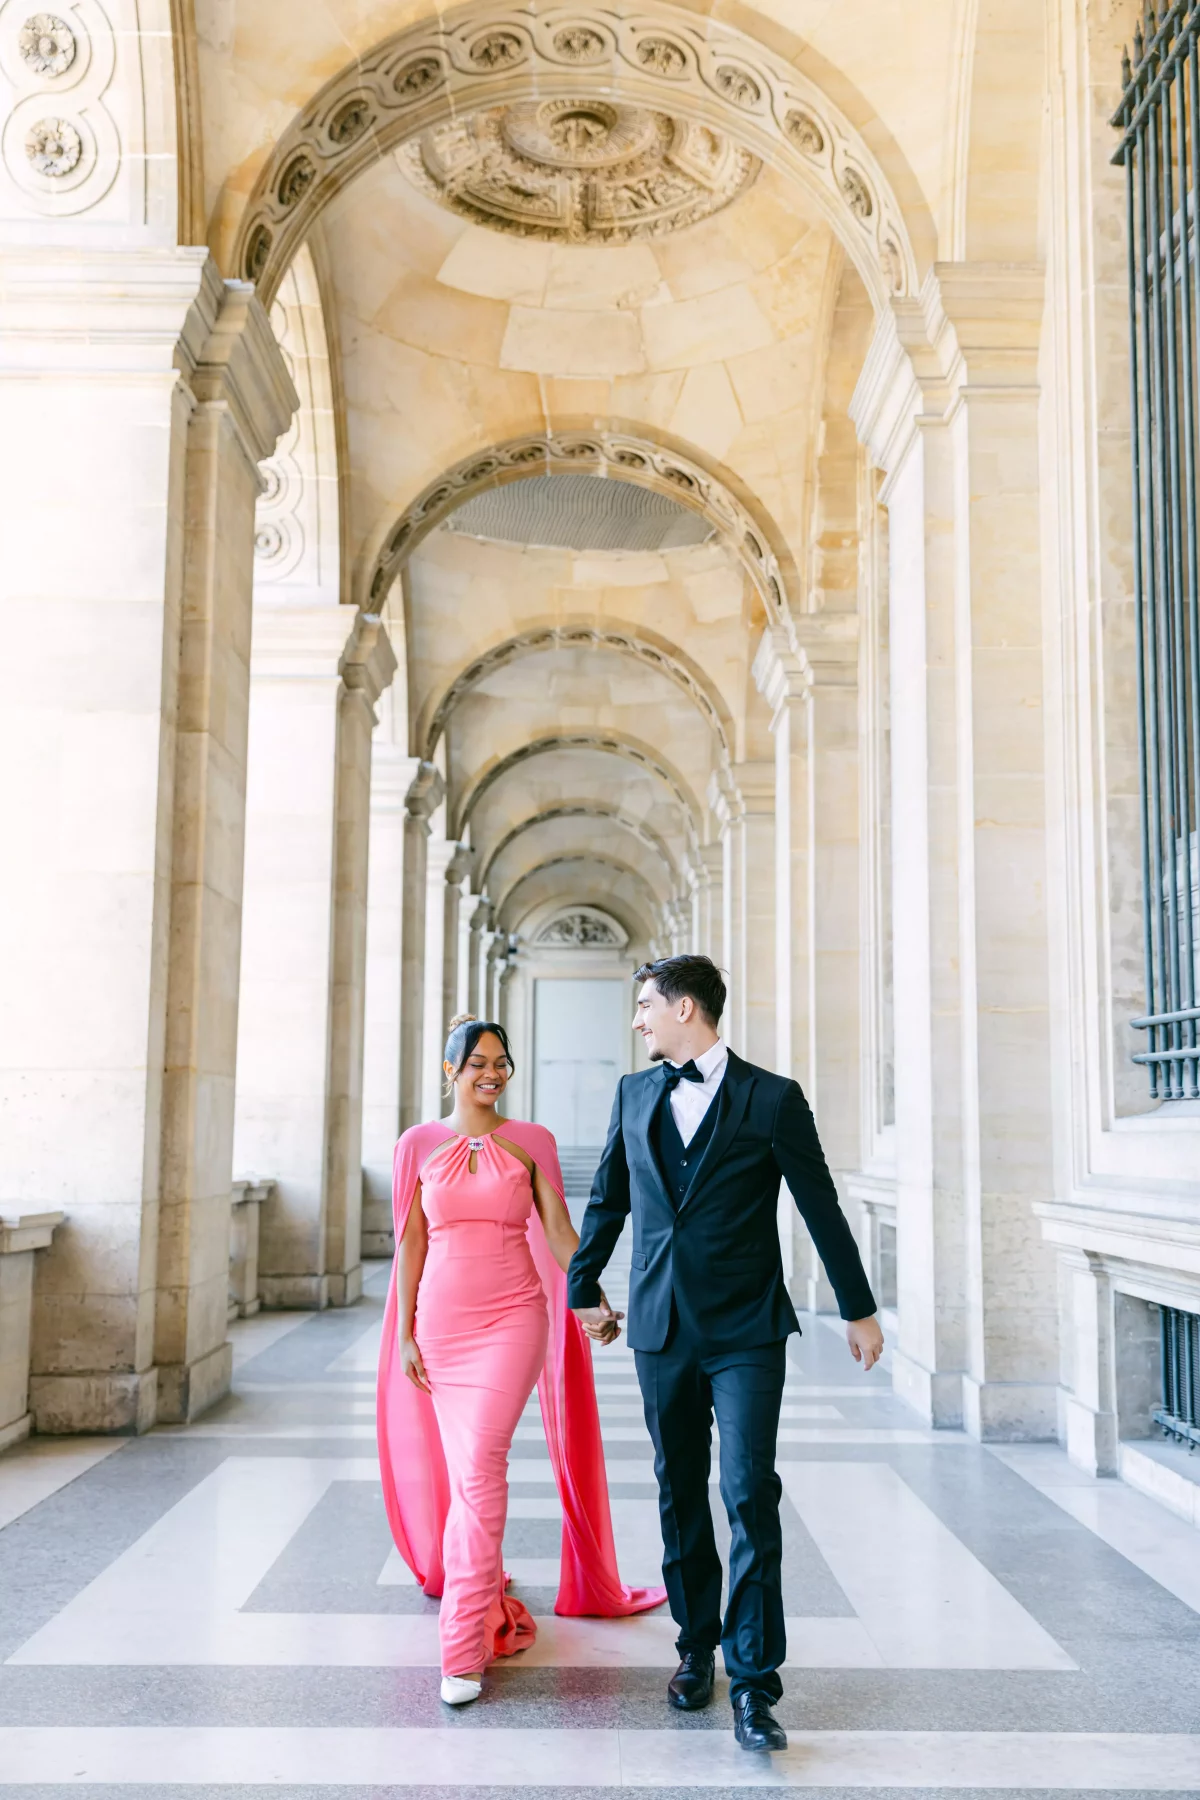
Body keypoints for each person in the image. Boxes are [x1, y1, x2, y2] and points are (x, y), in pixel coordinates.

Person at [567, 955, 883, 1753]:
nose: (638, 1021)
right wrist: (584, 1289)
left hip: (746, 1330)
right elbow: (608, 1196)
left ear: (684, 1008)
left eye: (646, 1006)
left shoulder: (772, 1098)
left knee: (749, 1494)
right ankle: (694, 1646)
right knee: (679, 1491)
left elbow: (820, 1205)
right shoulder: (635, 1093)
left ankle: (754, 1683)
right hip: (660, 1325)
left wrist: (860, 1308)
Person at [377, 1014, 664, 1707]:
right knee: (465, 1473)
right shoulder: (415, 1146)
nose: (491, 1072)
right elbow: (410, 1243)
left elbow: (563, 1235)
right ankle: (481, 1600)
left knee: (480, 1468)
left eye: (501, 1061)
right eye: (477, 1061)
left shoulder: (532, 1141)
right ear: (449, 1071)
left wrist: (593, 1304)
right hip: (441, 1326)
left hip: (513, 1320)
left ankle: (462, 1648)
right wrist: (408, 1333)